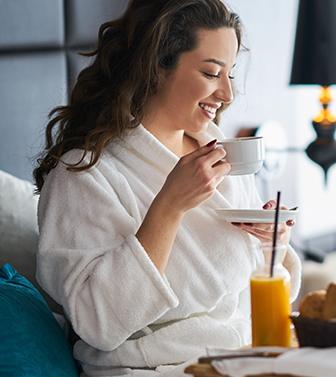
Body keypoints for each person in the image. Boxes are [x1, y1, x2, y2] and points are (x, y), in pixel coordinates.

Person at [32, 0, 301, 375]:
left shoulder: (220, 154)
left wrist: (274, 246)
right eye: (211, 73)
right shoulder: (84, 175)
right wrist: (169, 208)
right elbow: (97, 324)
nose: (227, 94)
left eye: (231, 75)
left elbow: (253, 296)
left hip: (239, 358)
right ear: (157, 66)